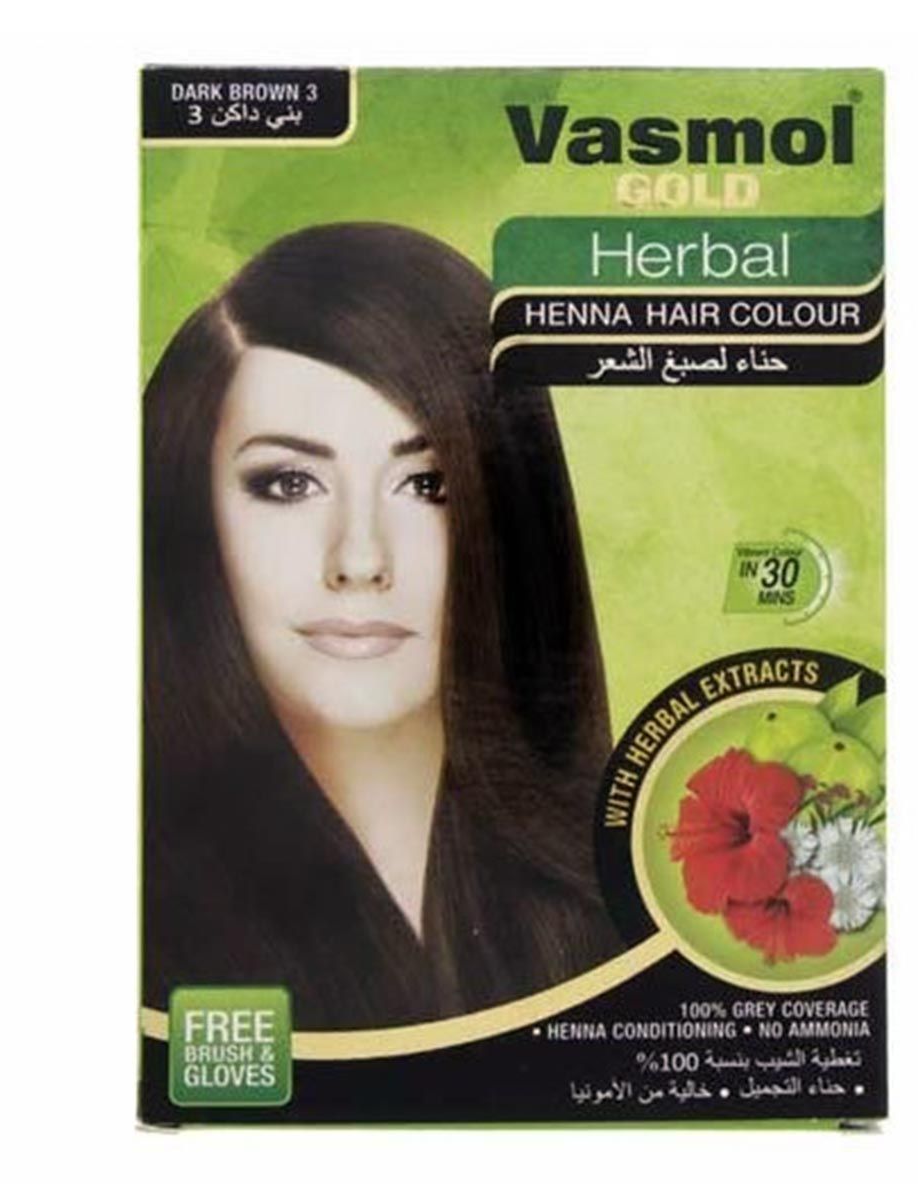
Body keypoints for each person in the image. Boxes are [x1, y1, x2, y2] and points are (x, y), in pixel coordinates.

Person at [143, 223, 622, 1030]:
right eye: (289, 483)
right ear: (191, 507)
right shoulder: (139, 923)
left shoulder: (631, 892)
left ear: (510, 515)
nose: (361, 559)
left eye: (428, 485)